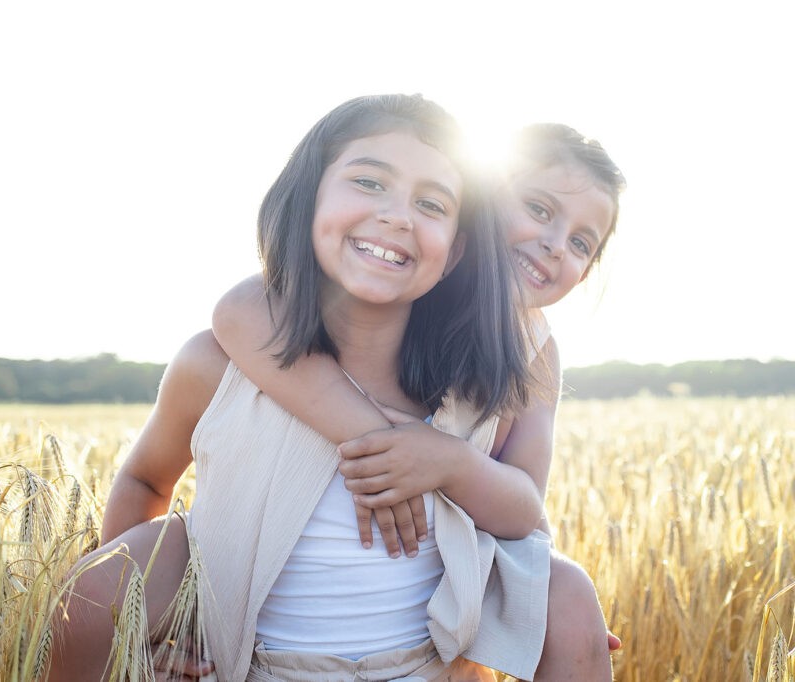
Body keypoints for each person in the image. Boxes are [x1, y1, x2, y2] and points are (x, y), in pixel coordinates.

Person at [48, 93, 536, 681]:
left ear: (454, 250)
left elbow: (521, 518)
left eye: (432, 203)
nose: (399, 216)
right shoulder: (218, 369)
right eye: (369, 182)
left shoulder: (467, 400)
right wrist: (145, 628)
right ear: (308, 199)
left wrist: (450, 462)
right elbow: (146, 478)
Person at [211, 122, 627, 680]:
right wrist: (374, 436)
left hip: (428, 622)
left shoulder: (535, 350)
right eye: (539, 208)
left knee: (571, 592)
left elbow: (524, 507)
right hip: (291, 632)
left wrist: (447, 462)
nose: (555, 244)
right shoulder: (406, 285)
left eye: (581, 243)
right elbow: (241, 308)